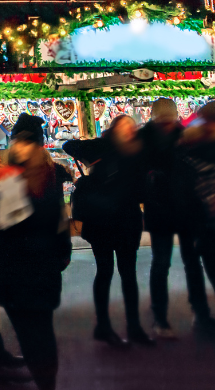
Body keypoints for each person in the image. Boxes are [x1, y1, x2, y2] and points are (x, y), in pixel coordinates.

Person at [0, 114, 72, 390]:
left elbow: (8, 225)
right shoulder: (42, 174)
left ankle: (45, 382)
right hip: (28, 268)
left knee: (35, 333)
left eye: (24, 142)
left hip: (27, 268)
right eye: (17, 142)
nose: (19, 147)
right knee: (34, 332)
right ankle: (45, 380)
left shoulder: (31, 177)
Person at [64, 114, 154, 347]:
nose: (128, 132)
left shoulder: (136, 153)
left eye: (131, 128)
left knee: (126, 274)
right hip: (108, 221)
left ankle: (130, 327)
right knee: (107, 272)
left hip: (119, 221)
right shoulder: (110, 149)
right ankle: (107, 326)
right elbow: (69, 145)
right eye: (124, 128)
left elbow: (142, 190)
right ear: (114, 130)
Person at [140, 98, 215, 338]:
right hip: (166, 210)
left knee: (188, 263)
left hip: (183, 209)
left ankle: (199, 314)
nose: (167, 123)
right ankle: (162, 317)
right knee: (164, 263)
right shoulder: (172, 137)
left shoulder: (180, 137)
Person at [175, 98, 215, 330]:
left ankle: (207, 315)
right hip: (210, 228)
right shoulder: (191, 151)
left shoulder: (188, 151)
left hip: (208, 228)